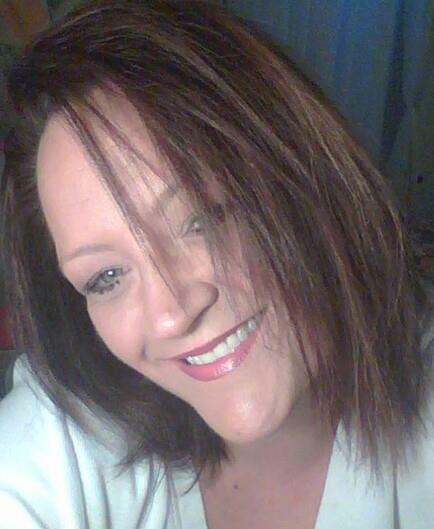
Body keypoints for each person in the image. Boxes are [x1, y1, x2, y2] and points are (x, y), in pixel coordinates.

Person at [0, 1, 433, 527]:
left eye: (202, 219)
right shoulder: (72, 439)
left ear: (307, 177)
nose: (170, 316)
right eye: (106, 277)